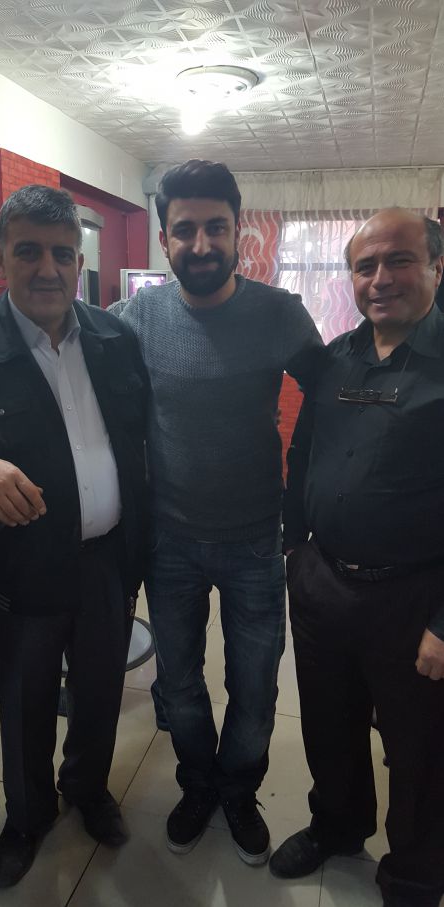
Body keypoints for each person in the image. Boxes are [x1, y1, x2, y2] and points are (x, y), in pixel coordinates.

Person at [0, 185, 147, 888]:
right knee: (25, 705)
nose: (47, 269)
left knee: (99, 693)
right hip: (19, 570)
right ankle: (26, 817)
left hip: (108, 561)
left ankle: (87, 788)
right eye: (28, 252)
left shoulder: (116, 340)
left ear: (79, 260)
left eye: (62, 253)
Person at [113, 159, 324, 865]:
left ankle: (238, 788)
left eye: (215, 227)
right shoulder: (136, 319)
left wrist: (307, 503)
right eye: (185, 230)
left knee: (256, 687)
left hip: (256, 542)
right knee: (178, 682)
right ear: (164, 240)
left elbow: (335, 397)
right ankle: (198, 782)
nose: (201, 244)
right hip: (170, 540)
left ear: (240, 233)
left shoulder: (279, 314)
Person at [270, 208, 444, 907]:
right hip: (324, 585)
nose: (380, 279)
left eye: (399, 260)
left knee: (420, 752)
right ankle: (337, 826)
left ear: (436, 267)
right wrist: (295, 550)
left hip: (413, 600)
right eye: (364, 266)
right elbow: (303, 451)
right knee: (329, 726)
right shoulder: (335, 358)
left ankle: (415, 874)